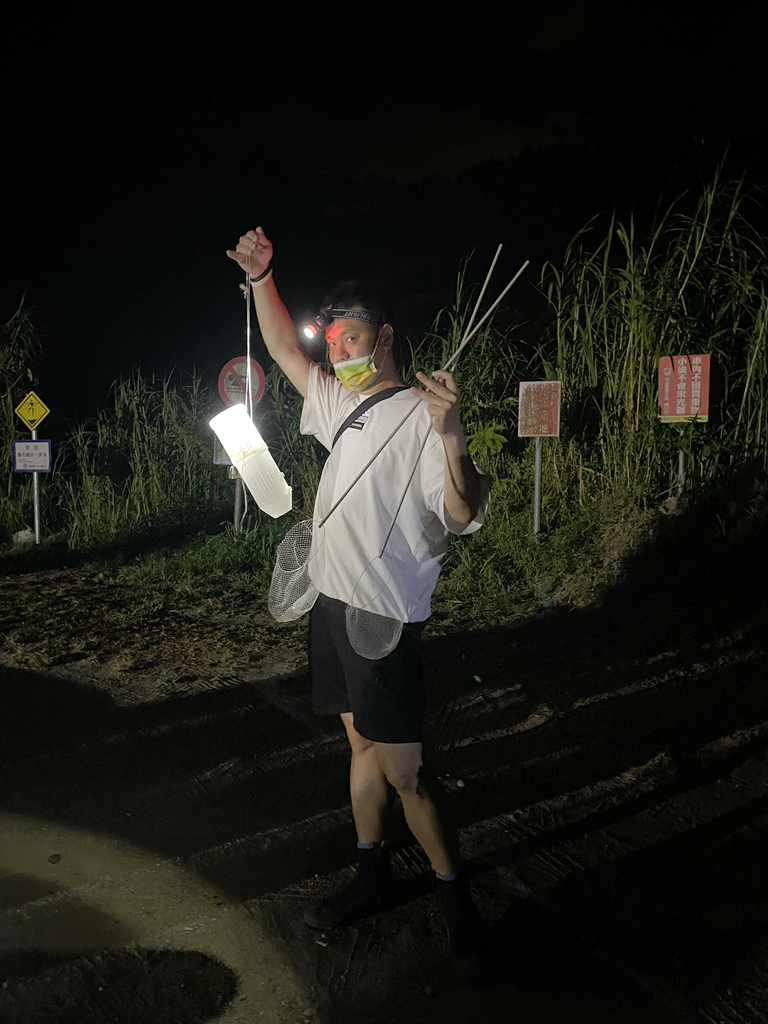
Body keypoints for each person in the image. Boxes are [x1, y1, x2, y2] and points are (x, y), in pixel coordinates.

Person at [226, 227, 490, 978]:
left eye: (356, 337)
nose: (341, 351)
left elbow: (465, 513)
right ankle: (371, 872)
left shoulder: (422, 414)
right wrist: (262, 279)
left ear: (388, 337)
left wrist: (455, 437)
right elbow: (282, 350)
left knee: (406, 772)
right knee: (358, 748)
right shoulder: (336, 403)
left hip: (383, 619)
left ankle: (455, 899)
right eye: (335, 340)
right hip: (331, 606)